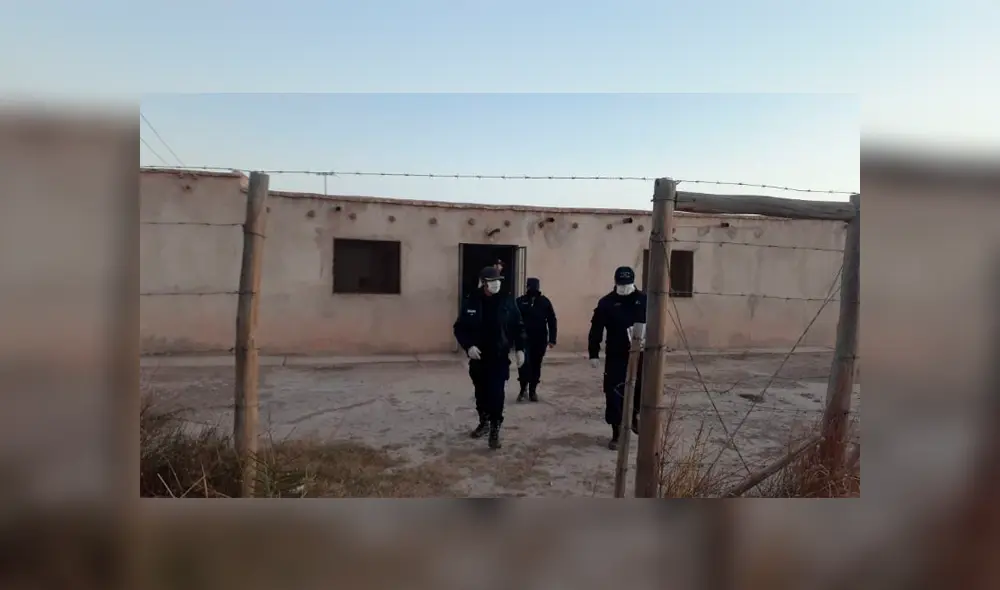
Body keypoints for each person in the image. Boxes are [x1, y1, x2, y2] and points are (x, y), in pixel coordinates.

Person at [453, 265, 527, 450]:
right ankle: (484, 421)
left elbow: (518, 326)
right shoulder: (472, 301)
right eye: (492, 281)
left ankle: (495, 428)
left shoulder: (507, 301)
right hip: (478, 358)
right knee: (481, 393)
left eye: (498, 281)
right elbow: (459, 328)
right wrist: (468, 345)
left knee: (496, 393)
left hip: (499, 356)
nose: (496, 285)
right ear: (483, 283)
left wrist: (520, 349)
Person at [588, 266, 647, 450]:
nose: (624, 287)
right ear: (615, 283)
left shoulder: (643, 300)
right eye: (621, 284)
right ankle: (617, 431)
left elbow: (656, 324)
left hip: (641, 354)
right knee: (613, 393)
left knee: (639, 388)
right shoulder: (607, 302)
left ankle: (635, 416)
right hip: (616, 354)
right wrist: (593, 353)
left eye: (627, 284)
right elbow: (596, 329)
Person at [515, 277, 558, 402]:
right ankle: (523, 389)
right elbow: (513, 320)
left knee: (535, 365)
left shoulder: (544, 302)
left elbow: (552, 320)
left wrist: (552, 339)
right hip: (524, 339)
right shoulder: (520, 301)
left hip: (539, 339)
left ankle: (533, 390)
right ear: (527, 287)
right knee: (523, 364)